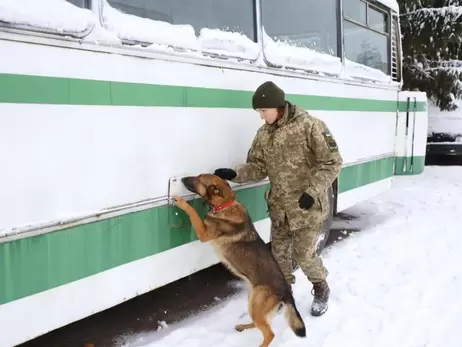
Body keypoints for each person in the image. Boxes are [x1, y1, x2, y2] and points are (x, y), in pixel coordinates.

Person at [213, 81, 343, 317]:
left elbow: (332, 162)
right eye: (259, 112)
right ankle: (283, 297)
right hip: (280, 209)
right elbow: (258, 167)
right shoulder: (263, 134)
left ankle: (321, 288)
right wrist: (235, 174)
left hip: (308, 207)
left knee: (304, 255)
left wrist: (312, 192)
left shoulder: (310, 126)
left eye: (263, 111)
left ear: (277, 106)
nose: (261, 117)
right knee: (278, 259)